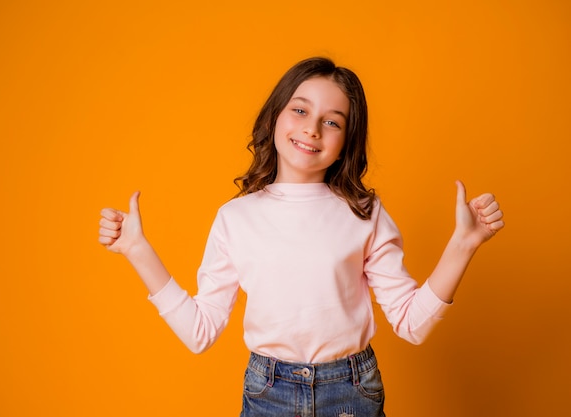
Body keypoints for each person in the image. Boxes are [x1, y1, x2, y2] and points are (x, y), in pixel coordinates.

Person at [98, 57, 504, 417]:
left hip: (351, 393)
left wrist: (463, 245)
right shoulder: (236, 218)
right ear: (276, 115)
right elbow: (199, 331)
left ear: (346, 143)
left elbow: (412, 324)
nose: (312, 129)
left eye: (332, 121)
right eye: (300, 110)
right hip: (267, 393)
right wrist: (137, 250)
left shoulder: (363, 212)